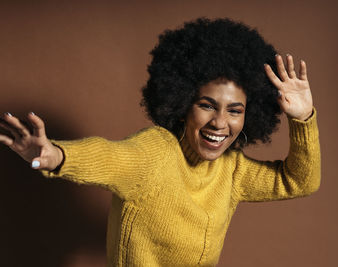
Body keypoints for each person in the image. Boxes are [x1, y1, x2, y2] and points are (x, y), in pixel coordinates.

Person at [0, 18, 320, 266]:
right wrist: (55, 154)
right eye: (207, 105)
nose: (220, 123)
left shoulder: (232, 170)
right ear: (182, 105)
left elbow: (298, 181)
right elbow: (110, 156)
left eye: (235, 111)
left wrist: (302, 119)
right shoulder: (156, 153)